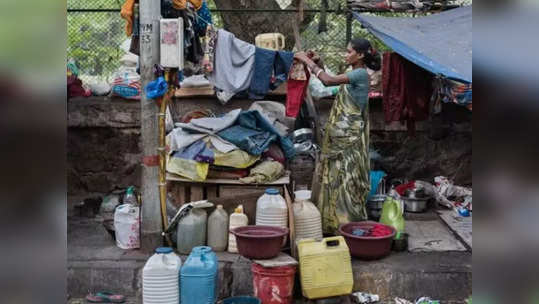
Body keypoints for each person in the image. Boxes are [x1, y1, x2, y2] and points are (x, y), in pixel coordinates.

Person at [294, 38, 381, 234]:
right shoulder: (353, 74)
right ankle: (333, 223)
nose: (345, 54)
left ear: (360, 55)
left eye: (349, 51)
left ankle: (348, 223)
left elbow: (327, 81)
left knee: (346, 180)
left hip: (348, 139)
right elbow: (332, 81)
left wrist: (306, 62)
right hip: (340, 137)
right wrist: (318, 63)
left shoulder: (360, 74)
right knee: (335, 179)